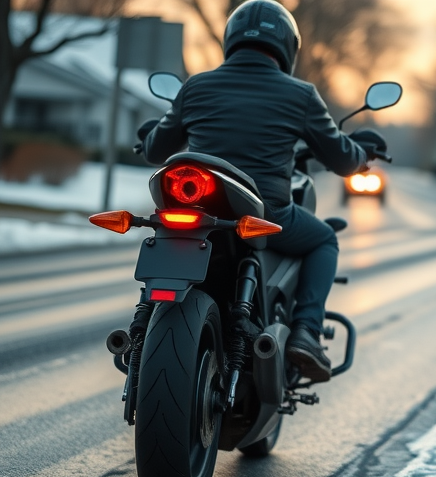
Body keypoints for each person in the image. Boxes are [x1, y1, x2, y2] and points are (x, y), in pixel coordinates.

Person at [141, 0, 382, 382]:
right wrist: (362, 152)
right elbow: (340, 159)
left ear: (230, 40)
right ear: (288, 47)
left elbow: (156, 149)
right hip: (265, 214)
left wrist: (149, 135)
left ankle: (140, 329)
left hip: (202, 211)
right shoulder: (300, 95)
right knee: (323, 240)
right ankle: (306, 333)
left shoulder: (196, 86)